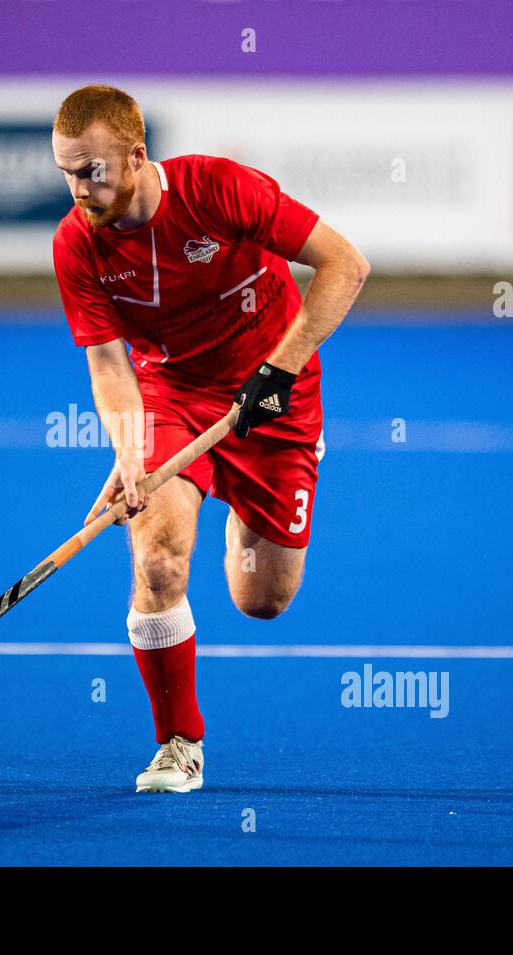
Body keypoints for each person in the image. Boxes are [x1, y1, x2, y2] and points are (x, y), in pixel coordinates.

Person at [51, 85, 370, 792]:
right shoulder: (77, 244)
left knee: (262, 599)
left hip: (276, 396)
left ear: (136, 157)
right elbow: (106, 362)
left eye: (92, 171)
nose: (79, 188)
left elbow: (346, 265)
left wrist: (277, 371)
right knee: (158, 558)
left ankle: (235, 508)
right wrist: (131, 453)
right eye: (67, 172)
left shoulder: (218, 190)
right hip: (173, 397)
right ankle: (179, 743)